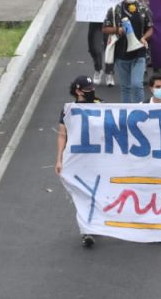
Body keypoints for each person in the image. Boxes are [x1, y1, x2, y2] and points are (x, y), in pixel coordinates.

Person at [55, 74, 101, 247]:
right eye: (88, 90)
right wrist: (59, 159)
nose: (92, 92)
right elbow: (62, 135)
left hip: (98, 158)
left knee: (97, 192)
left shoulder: (101, 105)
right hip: (77, 159)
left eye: (92, 89)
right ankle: (86, 230)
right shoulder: (69, 110)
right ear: (78, 91)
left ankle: (94, 224)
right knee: (83, 194)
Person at [102, 0, 153, 103]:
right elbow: (104, 28)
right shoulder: (115, 10)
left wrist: (144, 38)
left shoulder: (143, 9)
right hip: (121, 54)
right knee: (125, 87)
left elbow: (151, 28)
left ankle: (139, 110)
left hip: (139, 53)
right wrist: (117, 29)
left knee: (136, 84)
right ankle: (126, 112)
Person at [86, 0, 115, 86]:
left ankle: (109, 74)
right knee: (94, 48)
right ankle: (98, 69)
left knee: (110, 49)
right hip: (95, 23)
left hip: (109, 23)